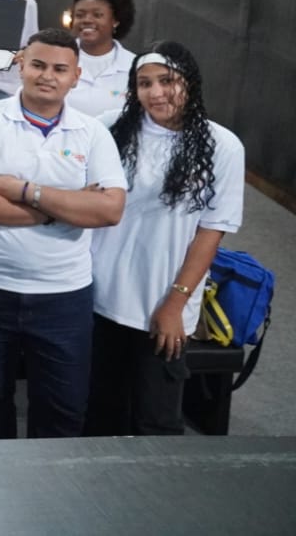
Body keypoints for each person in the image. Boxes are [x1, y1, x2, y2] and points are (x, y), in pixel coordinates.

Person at [0, 28, 127, 440]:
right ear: (21, 65)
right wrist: (63, 210)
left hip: (63, 293)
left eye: (60, 69)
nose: (48, 75)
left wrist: (27, 192)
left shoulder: (93, 133)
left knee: (63, 407)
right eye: (39, 64)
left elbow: (109, 208)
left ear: (75, 76)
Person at [87, 42, 245, 437]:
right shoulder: (108, 128)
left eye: (167, 81)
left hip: (162, 306)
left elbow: (211, 232)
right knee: (99, 416)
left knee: (156, 424)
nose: (156, 92)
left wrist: (175, 304)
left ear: (188, 83)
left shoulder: (222, 146)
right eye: (144, 83)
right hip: (97, 297)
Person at [67, 0, 138, 118]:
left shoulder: (134, 66)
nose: (87, 20)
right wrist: (12, 58)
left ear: (115, 21)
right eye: (80, 15)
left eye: (97, 15)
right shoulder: (55, 56)